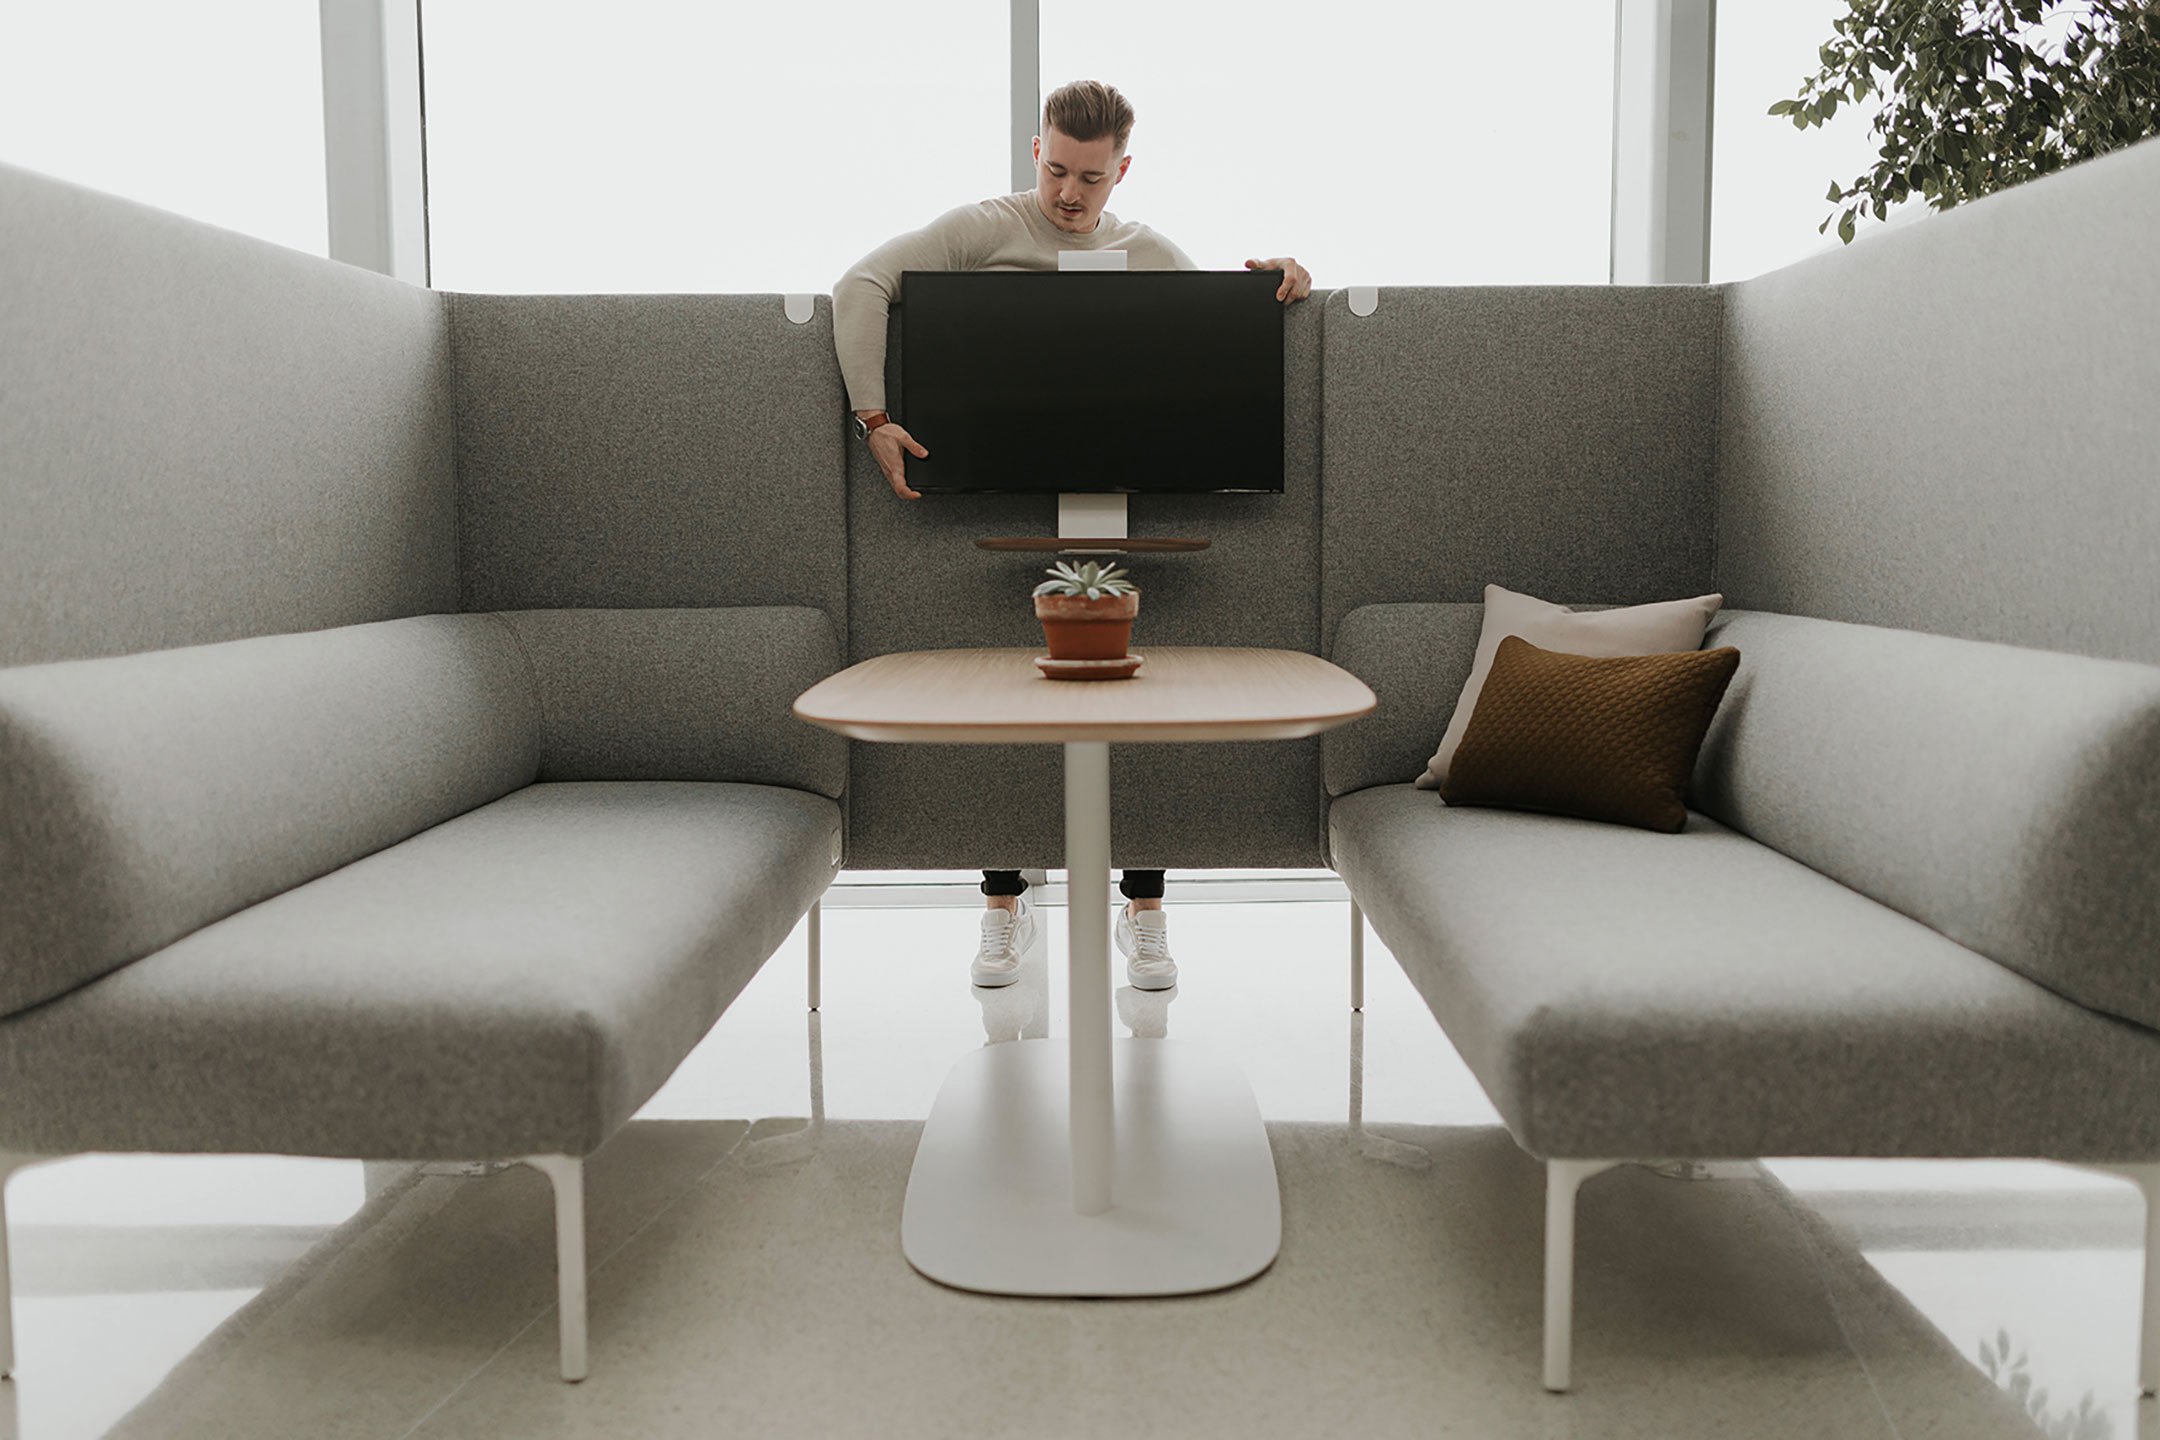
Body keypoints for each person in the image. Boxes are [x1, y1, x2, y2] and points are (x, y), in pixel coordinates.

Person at [833, 79, 1313, 994]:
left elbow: (1210, 334)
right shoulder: (984, 228)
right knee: (1010, 704)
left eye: (1089, 178)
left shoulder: (1149, 251)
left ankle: (1145, 908)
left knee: (1135, 707)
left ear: (1121, 170)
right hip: (1002, 492)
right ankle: (1004, 906)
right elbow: (861, 282)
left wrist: (1278, 283)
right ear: (1036, 152)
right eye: (1056, 169)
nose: (1068, 194)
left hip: (1126, 497)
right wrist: (874, 418)